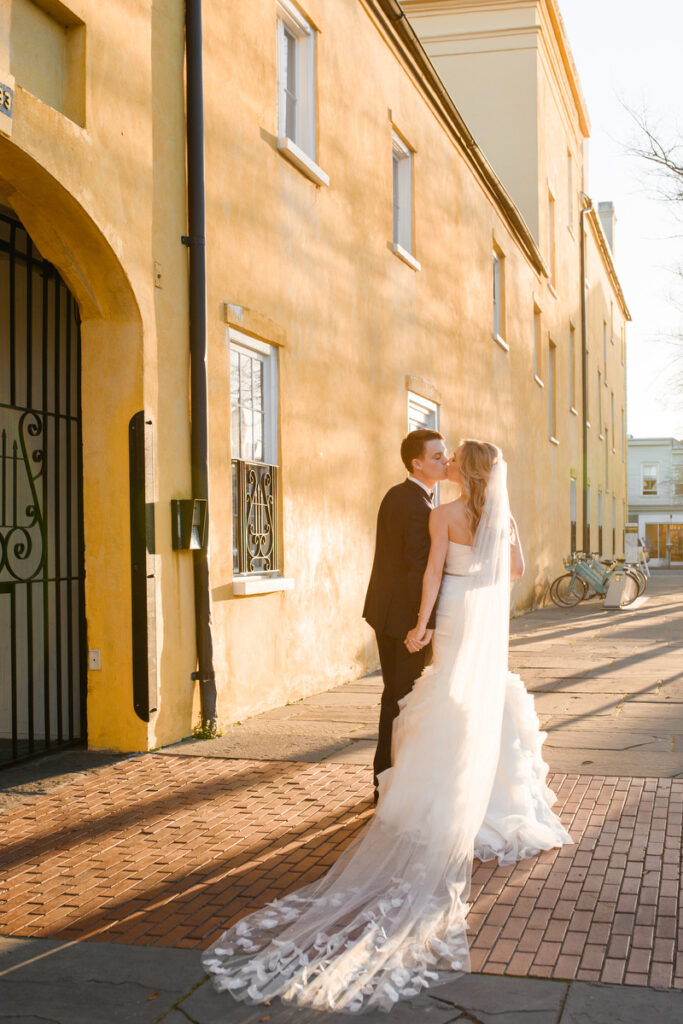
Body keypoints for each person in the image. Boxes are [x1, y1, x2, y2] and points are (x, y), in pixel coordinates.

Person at [202, 439, 573, 1014]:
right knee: (484, 695)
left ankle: (433, 791)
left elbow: (430, 573)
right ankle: (494, 801)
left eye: (453, 458)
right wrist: (507, 545)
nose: (445, 460)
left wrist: (423, 625)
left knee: (447, 695)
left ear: (461, 471)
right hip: (482, 613)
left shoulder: (443, 514)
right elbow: (517, 572)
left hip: (451, 611)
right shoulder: (502, 516)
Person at [362, 428, 449, 802]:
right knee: (404, 699)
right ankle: (391, 784)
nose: (445, 461)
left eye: (445, 455)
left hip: (387, 613)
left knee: (395, 696)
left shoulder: (404, 496)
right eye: (437, 457)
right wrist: (422, 624)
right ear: (416, 462)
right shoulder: (415, 504)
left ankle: (386, 779)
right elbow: (418, 569)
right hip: (403, 622)